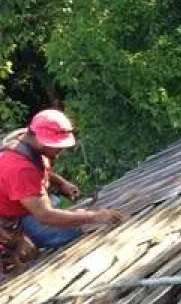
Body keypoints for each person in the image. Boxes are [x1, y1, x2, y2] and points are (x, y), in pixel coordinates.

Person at [0, 109, 123, 260]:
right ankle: (17, 240)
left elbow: (37, 170)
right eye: (58, 146)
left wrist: (62, 183)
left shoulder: (27, 142)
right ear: (41, 141)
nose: (61, 150)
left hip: (22, 205)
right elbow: (45, 215)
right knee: (69, 233)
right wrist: (94, 216)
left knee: (68, 218)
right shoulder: (19, 169)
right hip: (10, 220)